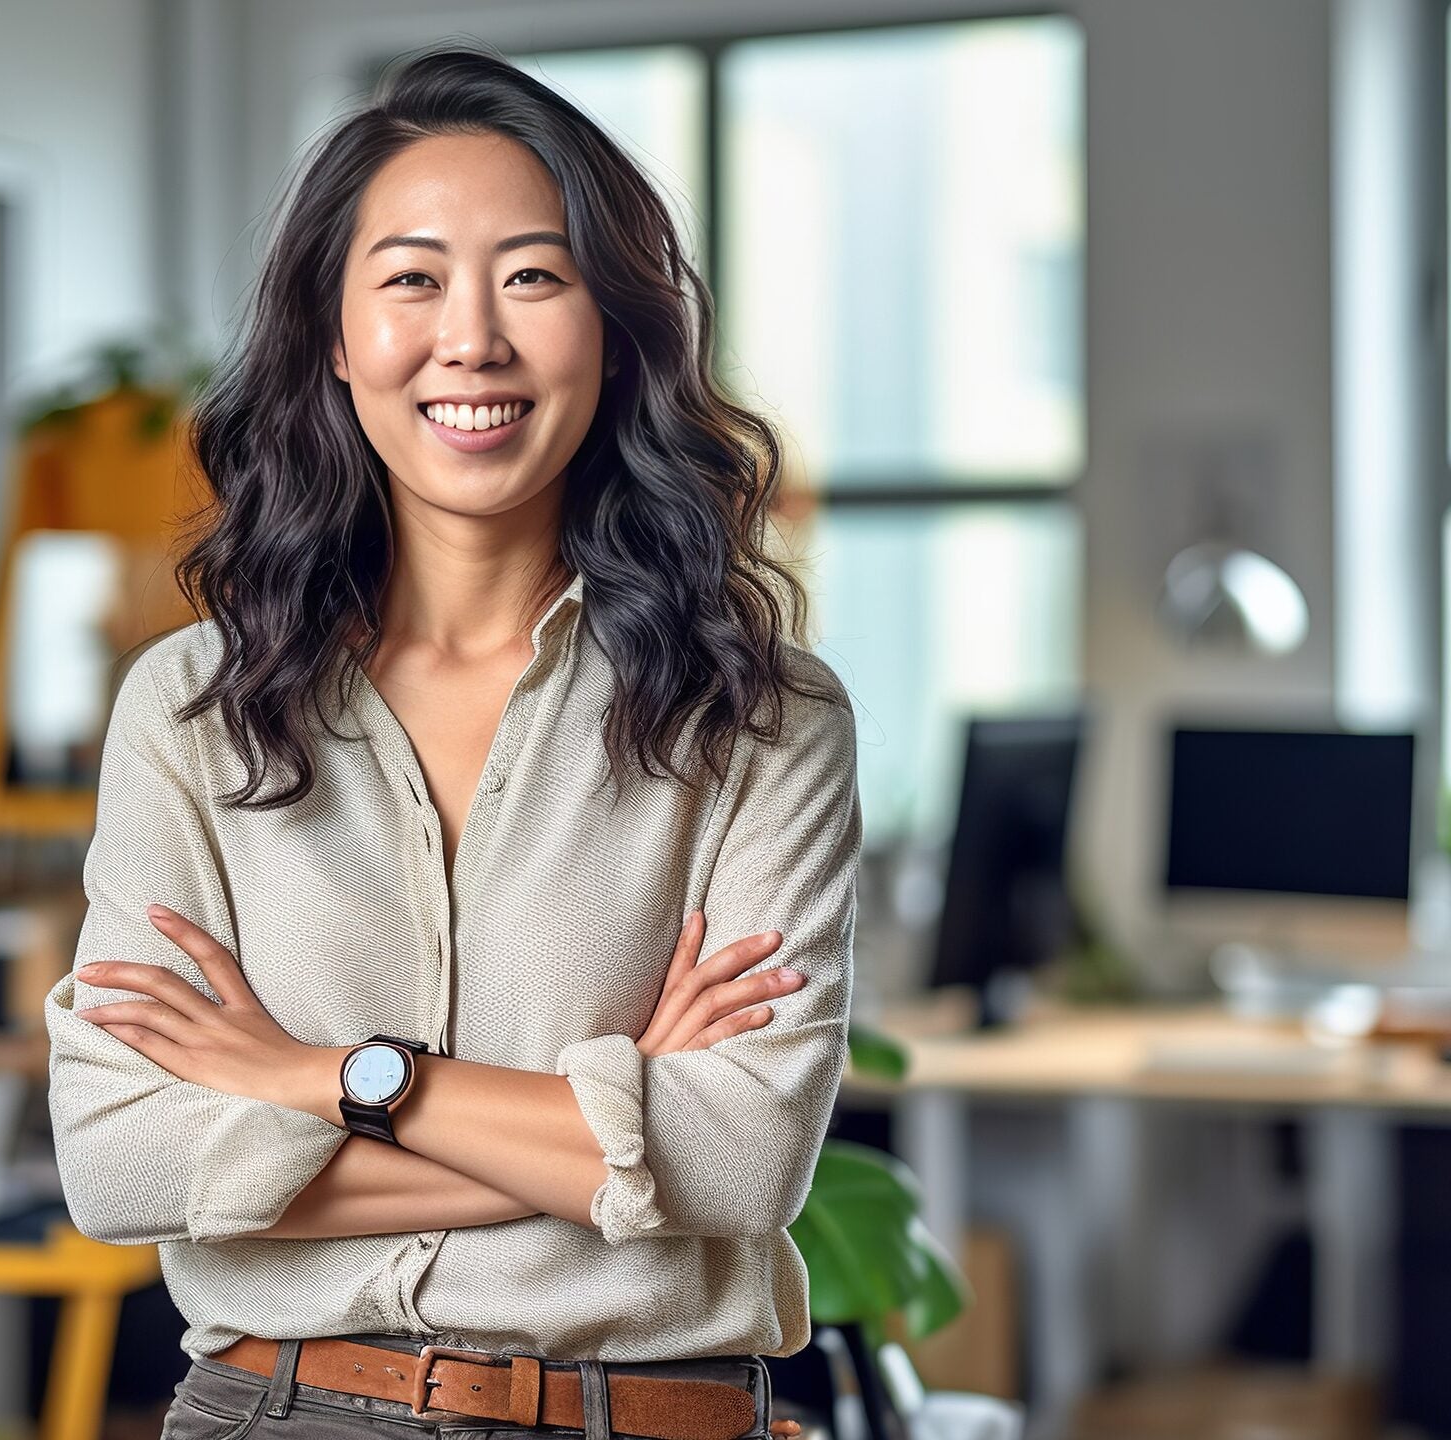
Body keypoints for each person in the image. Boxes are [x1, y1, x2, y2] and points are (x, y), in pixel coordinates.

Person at [45, 39, 856, 1440]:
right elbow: (117, 1160)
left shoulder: (761, 713)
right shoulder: (190, 709)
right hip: (277, 1414)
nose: (470, 338)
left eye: (532, 277)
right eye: (411, 278)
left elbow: (744, 1159)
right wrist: (613, 1134)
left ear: (612, 329)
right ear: (336, 336)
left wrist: (326, 1081)